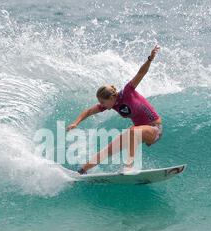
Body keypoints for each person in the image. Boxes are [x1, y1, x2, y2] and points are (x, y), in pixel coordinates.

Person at [66, 45, 162, 175]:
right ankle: (81, 171)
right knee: (108, 150)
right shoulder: (112, 105)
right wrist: (76, 123)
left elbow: (141, 73)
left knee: (133, 131)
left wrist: (150, 58)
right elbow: (88, 112)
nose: (102, 105)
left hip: (155, 129)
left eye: (103, 102)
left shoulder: (127, 92)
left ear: (111, 97)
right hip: (139, 132)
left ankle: (129, 166)